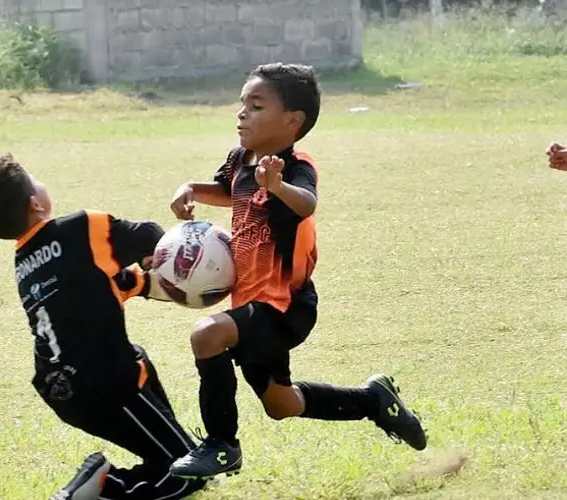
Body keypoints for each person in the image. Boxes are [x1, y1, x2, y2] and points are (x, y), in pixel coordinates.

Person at [166, 63, 428, 480]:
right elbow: (227, 191)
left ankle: (221, 446)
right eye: (242, 105)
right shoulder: (240, 160)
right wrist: (190, 189)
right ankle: (374, 402)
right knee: (281, 404)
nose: (242, 114)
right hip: (251, 302)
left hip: (284, 306)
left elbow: (305, 202)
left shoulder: (294, 164)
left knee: (206, 335)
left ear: (292, 121)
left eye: (255, 106)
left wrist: (278, 187)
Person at [0, 153, 208, 500]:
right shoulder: (80, 228)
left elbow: (105, 287)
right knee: (189, 473)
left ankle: (168, 446)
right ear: (35, 204)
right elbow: (150, 235)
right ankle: (101, 486)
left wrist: (152, 283)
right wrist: (168, 260)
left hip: (62, 389)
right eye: (37, 180)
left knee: (139, 361)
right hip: (106, 384)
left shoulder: (24, 264)